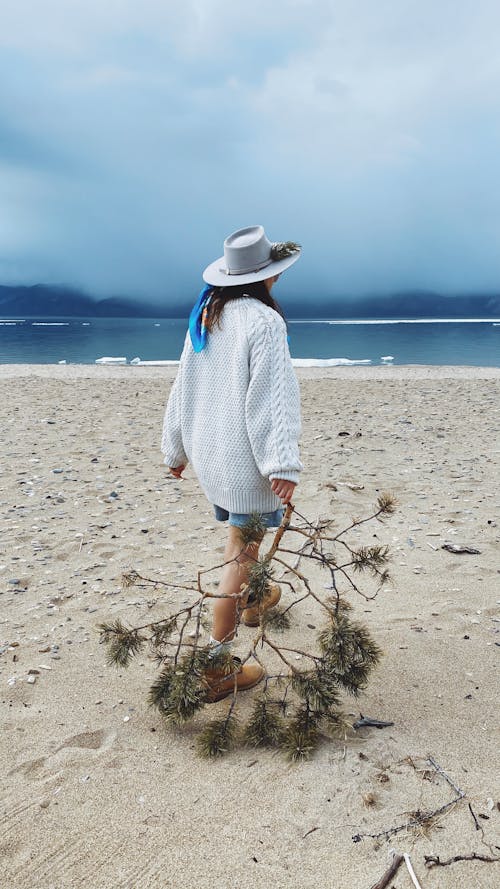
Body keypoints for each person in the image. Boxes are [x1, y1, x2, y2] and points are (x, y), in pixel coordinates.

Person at [161, 225, 302, 701]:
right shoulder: (263, 323)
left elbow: (182, 388)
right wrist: (282, 463)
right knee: (242, 554)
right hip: (247, 463)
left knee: (240, 543)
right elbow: (272, 400)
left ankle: (256, 601)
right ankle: (217, 666)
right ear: (264, 277)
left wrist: (175, 448)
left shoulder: (208, 314)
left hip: (213, 458)